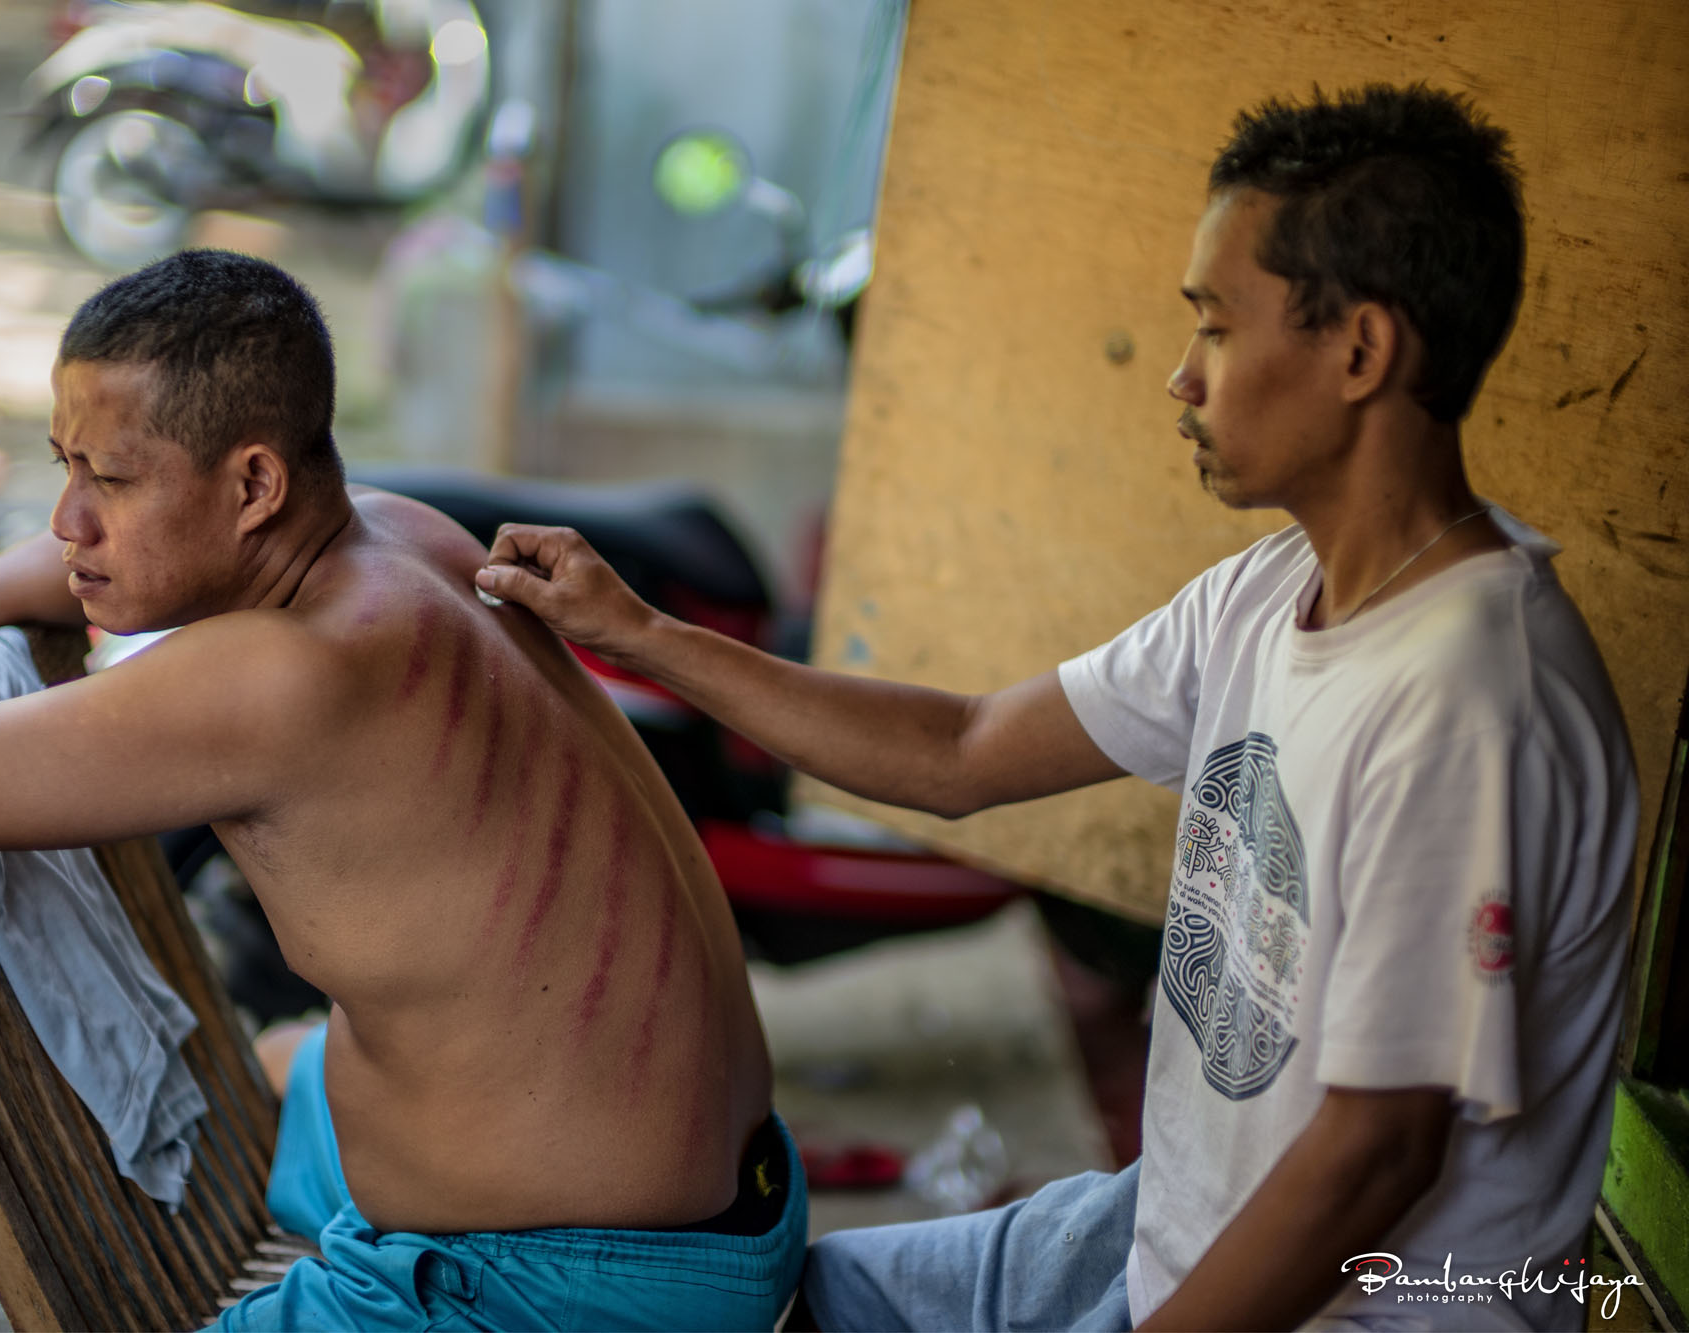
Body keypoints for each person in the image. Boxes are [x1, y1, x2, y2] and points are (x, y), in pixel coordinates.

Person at [474, 84, 1638, 1331]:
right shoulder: (1266, 592)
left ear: (1358, 351)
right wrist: (642, 636)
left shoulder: (1467, 697)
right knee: (775, 1302)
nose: (1181, 377)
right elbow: (961, 748)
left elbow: (1375, 1154)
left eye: (1215, 327)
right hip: (1158, 1231)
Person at [0, 249, 806, 1332]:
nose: (68, 521)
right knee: (280, 1061)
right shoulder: (402, 535)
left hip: (563, 1280)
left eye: (110, 479)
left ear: (252, 486)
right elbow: (86, 569)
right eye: (65, 467)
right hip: (730, 1195)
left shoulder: (284, 674)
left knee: (273, 1076)